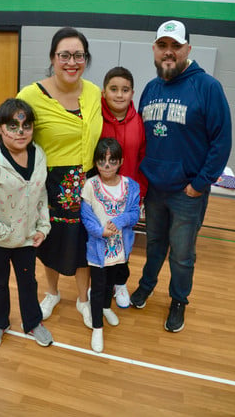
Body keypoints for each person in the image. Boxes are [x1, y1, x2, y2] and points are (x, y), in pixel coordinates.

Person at [0, 27, 102, 329]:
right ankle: (52, 292)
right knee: (47, 241)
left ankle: (83, 299)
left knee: (84, 243)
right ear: (52, 58)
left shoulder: (94, 92)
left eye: (78, 55)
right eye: (64, 55)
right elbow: (7, 125)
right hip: (51, 183)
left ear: (86, 58)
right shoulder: (32, 94)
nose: (72, 62)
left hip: (87, 182)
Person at [130, 20, 232, 332]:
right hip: (156, 190)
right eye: (163, 46)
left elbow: (222, 141)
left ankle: (178, 300)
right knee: (155, 245)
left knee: (182, 255)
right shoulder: (151, 88)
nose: (169, 52)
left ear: (188, 49)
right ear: (155, 50)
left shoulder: (208, 87)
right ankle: (147, 285)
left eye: (176, 46)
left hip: (187, 193)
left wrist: (199, 185)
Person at [0, 98, 53, 349]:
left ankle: (33, 323)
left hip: (27, 238)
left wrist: (43, 228)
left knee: (29, 281)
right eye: (13, 126)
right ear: (1, 128)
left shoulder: (39, 155)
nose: (20, 132)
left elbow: (41, 194)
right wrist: (6, 233)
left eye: (26, 126)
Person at [81, 138, 140, 352]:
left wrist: (117, 222)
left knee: (111, 283)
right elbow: (86, 217)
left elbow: (134, 214)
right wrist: (100, 231)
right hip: (98, 250)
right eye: (102, 161)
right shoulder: (90, 186)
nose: (107, 166)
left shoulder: (131, 186)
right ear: (96, 161)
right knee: (97, 288)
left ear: (120, 161)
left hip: (121, 249)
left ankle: (106, 308)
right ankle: (97, 327)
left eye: (112, 161)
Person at [100, 66, 147, 308]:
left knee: (124, 243)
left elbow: (142, 157)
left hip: (127, 198)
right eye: (114, 89)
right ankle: (100, 285)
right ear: (104, 91)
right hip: (100, 196)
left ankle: (120, 283)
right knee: (101, 241)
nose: (119, 95)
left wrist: (140, 195)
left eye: (125, 90)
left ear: (132, 93)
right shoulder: (95, 118)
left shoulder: (139, 122)